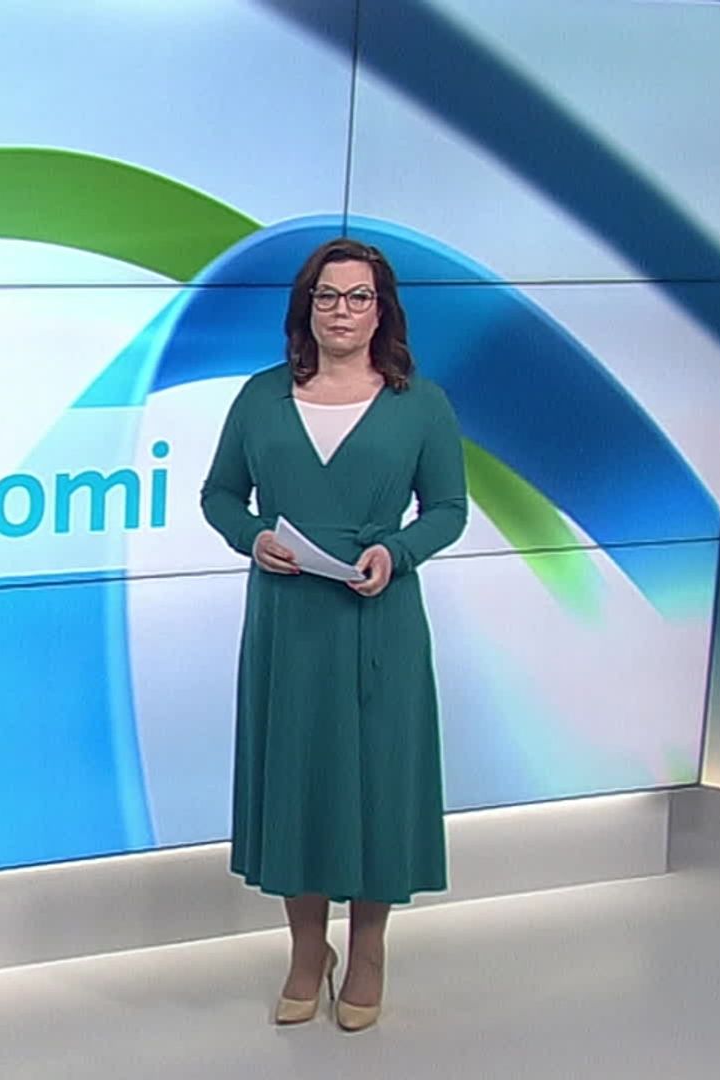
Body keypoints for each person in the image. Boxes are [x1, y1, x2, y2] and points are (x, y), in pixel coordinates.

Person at [200, 237, 467, 1030]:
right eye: (326, 295)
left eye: (357, 297)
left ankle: (370, 948)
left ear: (381, 310)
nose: (340, 311)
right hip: (289, 622)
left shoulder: (421, 403)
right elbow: (220, 495)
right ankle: (307, 950)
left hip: (378, 619)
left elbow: (448, 509)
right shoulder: (261, 397)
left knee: (377, 781)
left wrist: (398, 551)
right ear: (305, 306)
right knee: (299, 779)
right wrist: (253, 537)